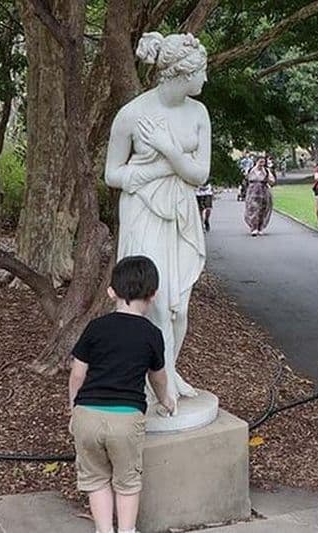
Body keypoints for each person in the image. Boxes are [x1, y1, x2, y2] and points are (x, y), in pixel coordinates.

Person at [104, 32, 209, 401]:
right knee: (156, 303)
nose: (206, 79)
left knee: (180, 309)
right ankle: (153, 385)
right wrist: (162, 168)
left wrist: (169, 150)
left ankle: (168, 372)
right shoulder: (132, 115)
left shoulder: (199, 113)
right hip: (143, 211)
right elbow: (112, 174)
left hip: (180, 212)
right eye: (202, 72)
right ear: (183, 74)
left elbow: (200, 174)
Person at [68, 255, 176, 533]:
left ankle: (105, 530)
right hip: (126, 420)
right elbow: (158, 377)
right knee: (127, 482)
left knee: (96, 479)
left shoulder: (95, 327)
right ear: (153, 295)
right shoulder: (152, 334)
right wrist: (165, 399)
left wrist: (74, 409)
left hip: (87, 415)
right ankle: (126, 530)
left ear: (111, 292)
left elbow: (77, 374)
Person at [243, 156, 275, 236]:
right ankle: (254, 228)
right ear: (256, 162)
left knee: (263, 210)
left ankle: (260, 227)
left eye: (263, 162)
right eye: (260, 162)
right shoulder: (250, 170)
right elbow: (245, 180)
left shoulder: (266, 171)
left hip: (263, 192)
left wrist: (267, 178)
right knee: (252, 209)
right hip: (252, 192)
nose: (261, 164)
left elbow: (272, 181)